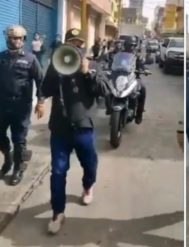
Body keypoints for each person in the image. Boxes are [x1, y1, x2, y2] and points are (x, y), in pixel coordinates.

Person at [41, 28, 109, 234]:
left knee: (90, 164)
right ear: (65, 45)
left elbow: (104, 91)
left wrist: (88, 72)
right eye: (71, 43)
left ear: (84, 46)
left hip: (83, 127)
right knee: (58, 171)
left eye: (79, 44)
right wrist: (41, 100)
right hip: (60, 129)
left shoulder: (94, 65)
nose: (76, 48)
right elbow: (45, 89)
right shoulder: (56, 66)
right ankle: (57, 212)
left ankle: (88, 185)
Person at [0, 25, 45, 185]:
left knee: (19, 139)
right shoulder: (1, 57)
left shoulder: (30, 59)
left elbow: (41, 81)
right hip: (2, 105)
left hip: (21, 106)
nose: (17, 41)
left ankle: (17, 169)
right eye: (13, 37)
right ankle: (8, 158)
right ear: (8, 39)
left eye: (20, 38)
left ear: (24, 40)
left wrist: (40, 102)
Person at [121, 36, 147, 124]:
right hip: (120, 77)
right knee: (108, 88)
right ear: (125, 45)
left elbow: (142, 65)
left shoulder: (137, 56)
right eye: (129, 45)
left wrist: (143, 69)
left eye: (133, 45)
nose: (131, 47)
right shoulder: (119, 54)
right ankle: (110, 107)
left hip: (134, 78)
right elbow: (112, 63)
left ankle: (139, 114)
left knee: (143, 89)